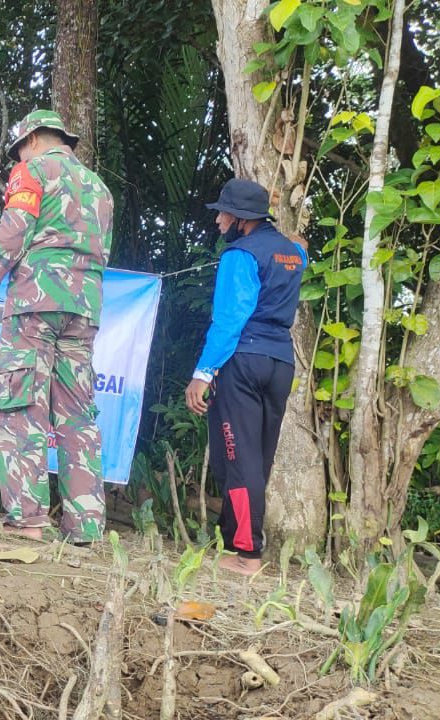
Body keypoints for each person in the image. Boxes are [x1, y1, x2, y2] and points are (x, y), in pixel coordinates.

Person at [0, 110, 113, 545]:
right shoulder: (99, 186)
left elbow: (14, 230)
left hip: (37, 301)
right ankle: (86, 526)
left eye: (20, 146)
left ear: (33, 139)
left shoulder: (31, 170)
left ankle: (29, 519)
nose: (19, 154)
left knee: (18, 405)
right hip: (85, 306)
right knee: (76, 414)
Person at [184, 178, 307, 576]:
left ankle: (247, 554)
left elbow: (229, 320)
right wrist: (297, 243)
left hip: (244, 358)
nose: (218, 220)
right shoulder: (291, 254)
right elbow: (301, 251)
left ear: (242, 219)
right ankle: (235, 539)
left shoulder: (240, 255)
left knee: (238, 457)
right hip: (281, 363)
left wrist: (203, 373)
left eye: (223, 213)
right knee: (258, 457)